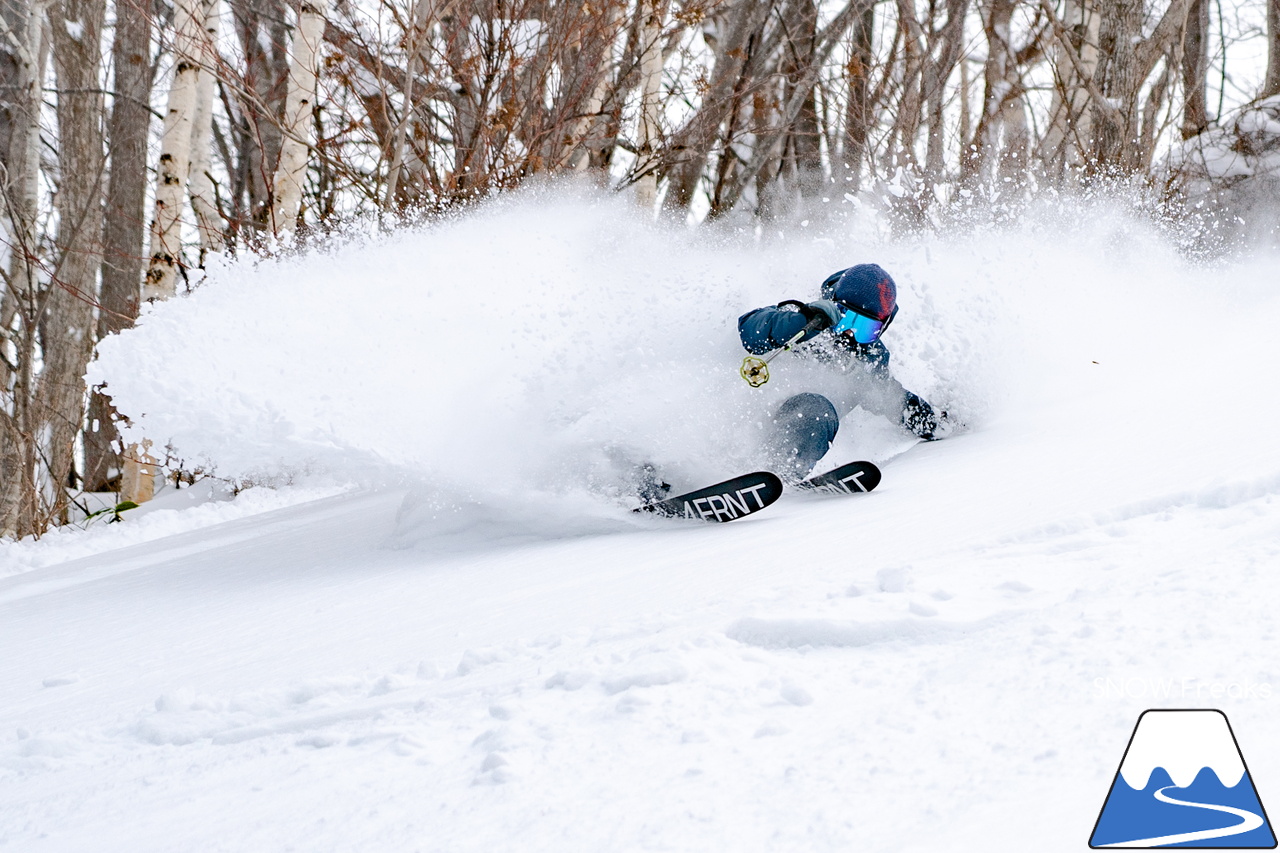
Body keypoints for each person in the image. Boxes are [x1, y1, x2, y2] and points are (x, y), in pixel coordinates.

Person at [738, 263, 954, 481]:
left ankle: (780, 477)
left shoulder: (869, 361)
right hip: (748, 419)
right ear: (832, 306)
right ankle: (773, 473)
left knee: (818, 410)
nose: (850, 333)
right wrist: (802, 322)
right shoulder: (806, 320)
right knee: (815, 408)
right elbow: (750, 330)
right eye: (845, 318)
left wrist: (935, 422)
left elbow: (892, 399)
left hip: (798, 434)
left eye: (866, 329)